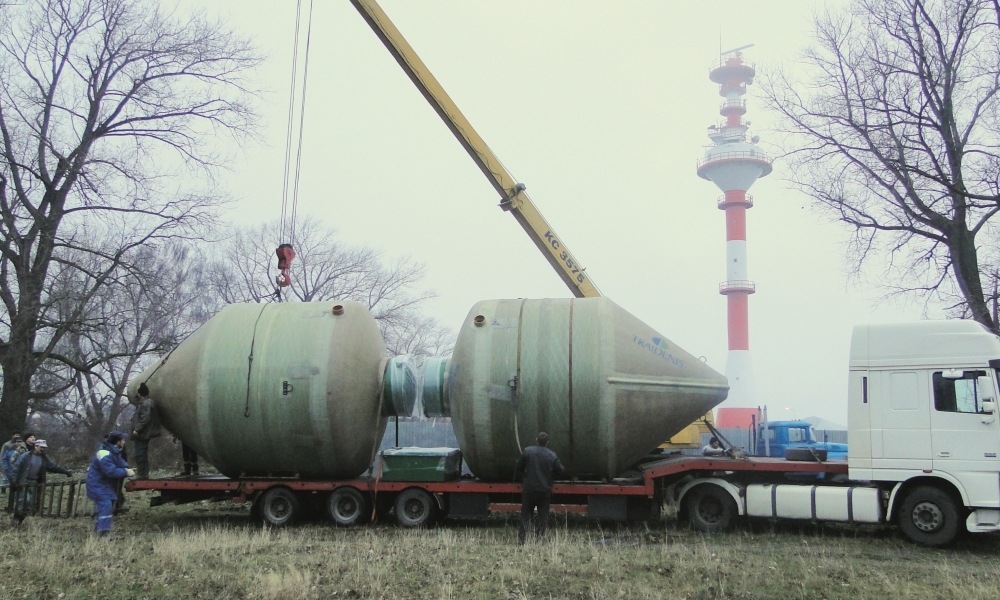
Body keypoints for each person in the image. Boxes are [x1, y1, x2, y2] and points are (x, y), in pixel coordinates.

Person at [514, 432, 565, 544]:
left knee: (525, 515)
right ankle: (539, 539)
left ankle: (522, 540)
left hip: (529, 489)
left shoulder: (527, 451)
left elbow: (519, 467)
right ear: (547, 442)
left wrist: (524, 479)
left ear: (536, 439)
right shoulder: (552, 455)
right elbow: (560, 470)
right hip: (544, 490)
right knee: (543, 516)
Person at [10, 439, 73, 526]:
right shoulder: (26, 456)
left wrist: (65, 472)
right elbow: (16, 468)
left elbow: (53, 466)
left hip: (34, 483)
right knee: (23, 502)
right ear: (35, 446)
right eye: (41, 447)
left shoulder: (44, 459)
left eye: (44, 447)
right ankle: (15, 522)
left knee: (30, 505)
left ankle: (19, 521)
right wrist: (14, 481)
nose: (42, 449)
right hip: (23, 482)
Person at [87, 431, 134, 537]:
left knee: (107, 505)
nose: (124, 441)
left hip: (103, 484)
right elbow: (110, 471)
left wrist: (125, 466)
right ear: (118, 442)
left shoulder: (114, 451)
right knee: (106, 505)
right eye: (123, 440)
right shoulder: (104, 454)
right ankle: (103, 533)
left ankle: (99, 531)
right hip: (97, 484)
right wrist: (126, 472)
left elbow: (120, 462)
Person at [130, 382, 161, 479]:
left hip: (143, 434)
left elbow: (145, 418)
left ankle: (141, 474)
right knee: (141, 454)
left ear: (140, 393)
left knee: (140, 454)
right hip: (143, 433)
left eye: (137, 393)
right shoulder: (146, 403)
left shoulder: (146, 403)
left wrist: (137, 430)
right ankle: (144, 474)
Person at [5, 432, 34, 513]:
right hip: (21, 475)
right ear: (27, 439)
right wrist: (17, 470)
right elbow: (13, 461)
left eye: (34, 437)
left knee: (30, 497)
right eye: (31, 437)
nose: (33, 438)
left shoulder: (35, 448)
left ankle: (28, 512)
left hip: (31, 475)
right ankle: (18, 513)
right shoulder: (21, 448)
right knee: (21, 497)